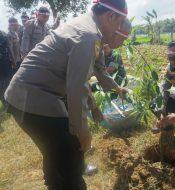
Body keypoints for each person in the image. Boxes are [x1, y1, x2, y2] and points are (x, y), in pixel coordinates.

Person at [4, 0, 128, 189]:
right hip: (30, 99)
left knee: (55, 152)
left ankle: (55, 183)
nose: (120, 29)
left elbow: (99, 71)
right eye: (120, 24)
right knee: (71, 158)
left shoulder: (91, 31)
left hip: (28, 96)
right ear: (111, 17)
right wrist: (82, 131)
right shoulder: (88, 35)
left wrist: (117, 90)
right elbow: (77, 86)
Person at [0, 31, 12, 108]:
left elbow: (8, 47)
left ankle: (10, 100)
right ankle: (5, 102)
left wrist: (13, 59)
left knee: (8, 80)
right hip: (4, 63)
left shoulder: (3, 34)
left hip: (6, 62)